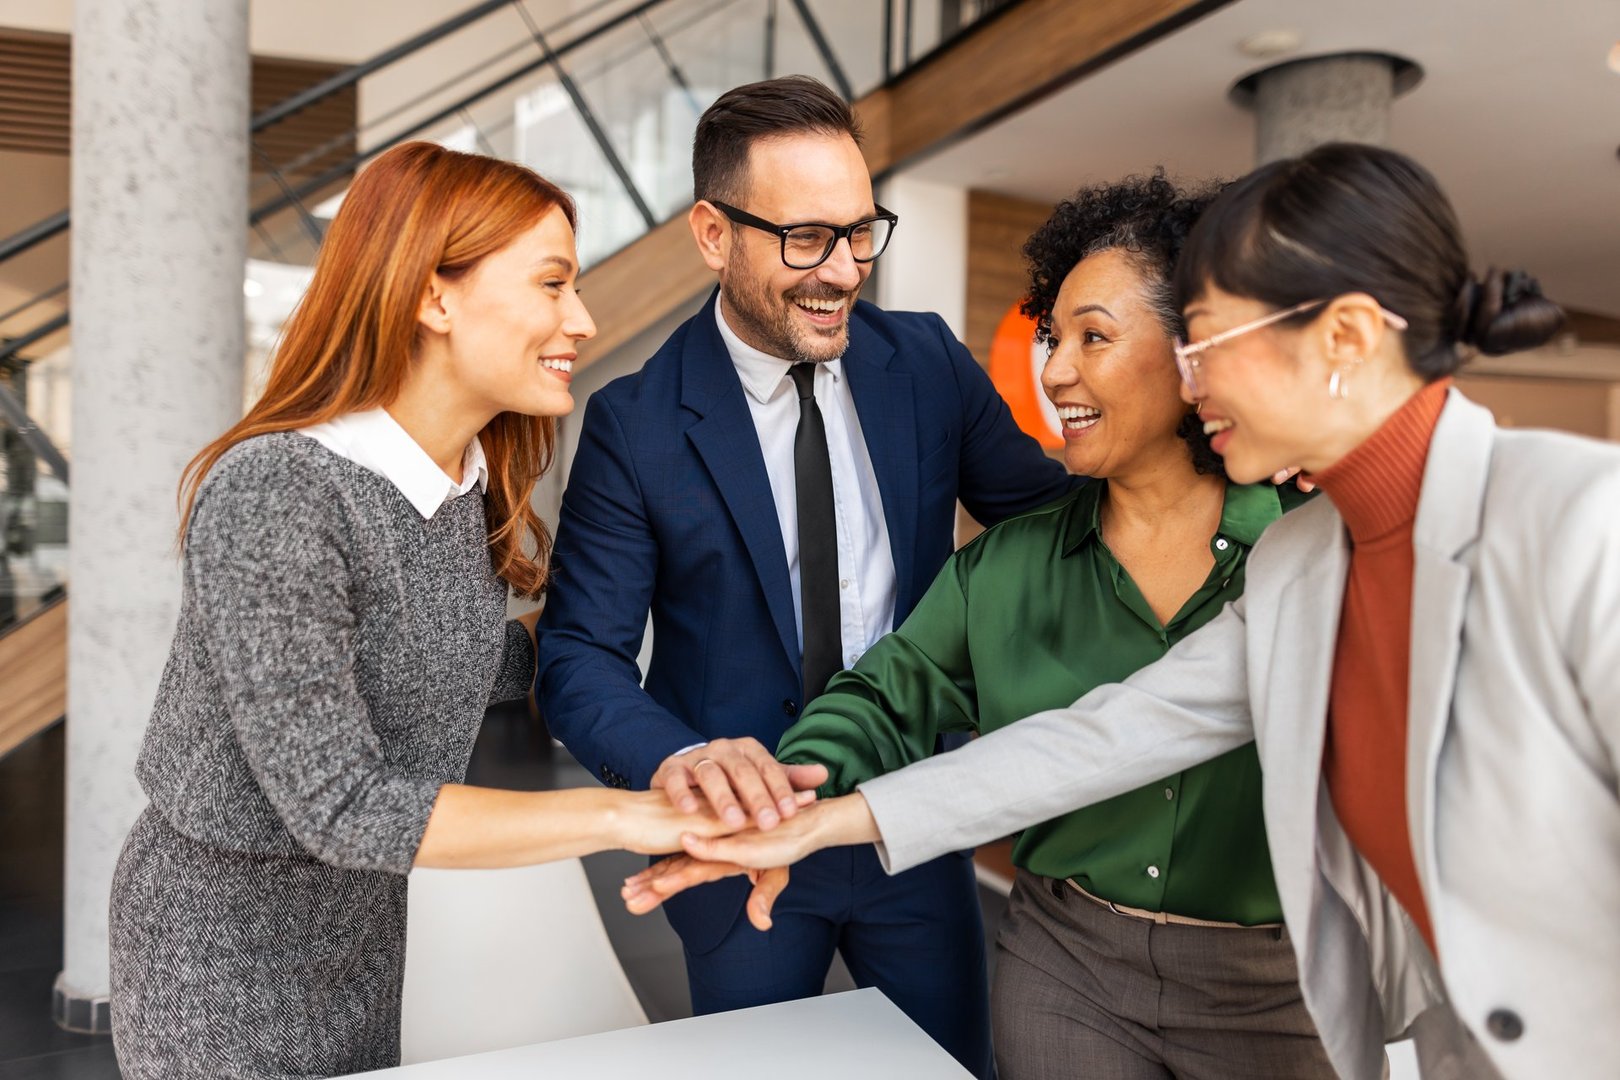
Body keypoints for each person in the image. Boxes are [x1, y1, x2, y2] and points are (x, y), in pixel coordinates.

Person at [631, 143, 1616, 1080]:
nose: (1193, 377)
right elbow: (1104, 738)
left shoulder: (1584, 525)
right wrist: (811, 824)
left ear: (1349, 337)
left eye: (1208, 341)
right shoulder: (1308, 566)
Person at [106, 142, 788, 1080]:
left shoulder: (456, 489)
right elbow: (343, 805)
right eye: (552, 285)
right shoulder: (280, 490)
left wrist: (666, 604)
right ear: (434, 297)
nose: (581, 320)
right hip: (222, 958)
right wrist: (630, 816)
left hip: (357, 936)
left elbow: (451, 662)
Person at [533, 75, 1072, 1077]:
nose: (843, 271)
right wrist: (679, 762)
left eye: (861, 232)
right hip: (735, 846)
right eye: (805, 238)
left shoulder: (928, 364)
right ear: (712, 233)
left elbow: (1050, 526)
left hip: (910, 824)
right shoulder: (635, 421)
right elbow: (577, 657)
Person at [753, 174, 1330, 1078]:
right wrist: (793, 785)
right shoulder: (1005, 566)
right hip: (1069, 971)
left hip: (1282, 984)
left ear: (1197, 352)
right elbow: (883, 694)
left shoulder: (1311, 549)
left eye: (1093, 338)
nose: (1054, 370)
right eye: (1054, 339)